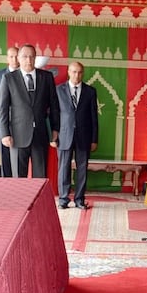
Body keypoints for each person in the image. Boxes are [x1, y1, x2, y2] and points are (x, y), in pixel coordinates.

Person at [0, 44, 60, 178]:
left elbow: (54, 105)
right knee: (19, 178)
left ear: (35, 58)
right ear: (19, 58)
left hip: (40, 135)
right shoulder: (8, 78)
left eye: (31, 57)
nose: (28, 60)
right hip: (17, 136)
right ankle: (19, 200)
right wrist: (4, 133)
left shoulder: (47, 77)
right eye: (25, 57)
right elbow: (2, 108)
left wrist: (55, 129)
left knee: (40, 177)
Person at [53, 61, 99, 209]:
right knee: (63, 168)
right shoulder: (58, 90)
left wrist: (94, 139)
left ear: (83, 73)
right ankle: (63, 199)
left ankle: (79, 199)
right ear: (68, 72)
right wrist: (53, 136)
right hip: (64, 136)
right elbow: (53, 115)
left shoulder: (90, 91)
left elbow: (94, 117)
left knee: (82, 169)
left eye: (79, 72)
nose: (76, 75)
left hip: (84, 136)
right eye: (73, 72)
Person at [0, 46, 19, 176]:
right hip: (2, 121)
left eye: (16, 56)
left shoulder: (24, 75)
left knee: (17, 156)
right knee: (5, 154)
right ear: (7, 58)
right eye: (11, 56)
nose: (14, 59)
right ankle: (6, 181)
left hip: (19, 122)